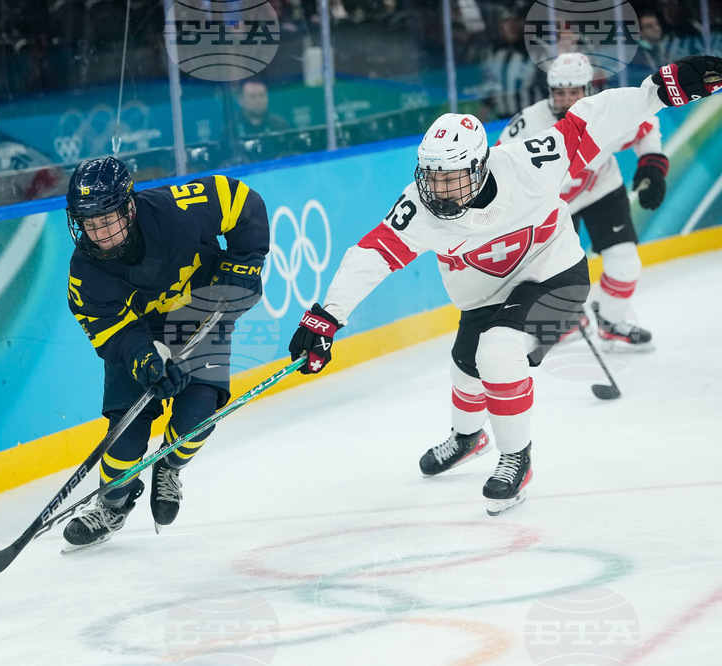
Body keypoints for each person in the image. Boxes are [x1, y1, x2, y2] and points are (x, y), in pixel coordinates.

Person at [288, 55, 721, 516]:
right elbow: (373, 254)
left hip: (555, 276)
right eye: (431, 178)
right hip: (486, 296)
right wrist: (327, 316)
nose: (439, 190)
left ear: (478, 168)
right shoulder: (420, 205)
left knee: (498, 352)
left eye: (451, 179)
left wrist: (657, 89)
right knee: (465, 364)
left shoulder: (529, 165)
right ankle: (468, 436)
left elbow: (598, 116)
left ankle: (516, 458)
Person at [62, 156, 269, 549]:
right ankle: (112, 505)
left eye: (107, 221)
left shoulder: (178, 210)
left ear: (130, 206)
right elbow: (112, 331)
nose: (100, 235)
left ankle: (169, 467)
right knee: (125, 438)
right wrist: (144, 360)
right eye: (90, 225)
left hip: (201, 313)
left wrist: (247, 260)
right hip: (138, 336)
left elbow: (242, 200)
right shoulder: (84, 272)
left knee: (197, 417)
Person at [496, 53, 666, 351]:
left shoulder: (606, 112)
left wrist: (651, 164)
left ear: (588, 89)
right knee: (556, 276)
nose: (567, 99)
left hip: (603, 189)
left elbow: (646, 128)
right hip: (554, 206)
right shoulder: (529, 124)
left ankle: (612, 323)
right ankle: (569, 320)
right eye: (560, 93)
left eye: (574, 92)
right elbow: (497, 165)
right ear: (550, 92)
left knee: (625, 261)